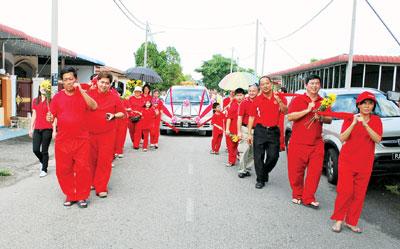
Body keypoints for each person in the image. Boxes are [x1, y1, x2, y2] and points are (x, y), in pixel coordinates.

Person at [331, 91, 382, 233]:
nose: (367, 106)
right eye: (364, 103)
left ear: (373, 105)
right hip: (347, 161)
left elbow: (377, 139)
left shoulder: (376, 120)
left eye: (370, 103)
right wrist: (353, 123)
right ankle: (339, 220)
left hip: (365, 163)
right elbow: (342, 138)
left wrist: (366, 125)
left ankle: (352, 221)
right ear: (358, 105)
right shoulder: (350, 119)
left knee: (359, 194)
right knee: (345, 192)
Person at [47, 67, 97, 208]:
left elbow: (94, 106)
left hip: (82, 139)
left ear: (76, 79)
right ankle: (70, 194)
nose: (68, 82)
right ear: (62, 81)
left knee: (83, 168)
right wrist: (49, 117)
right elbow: (51, 118)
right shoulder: (57, 97)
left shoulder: (83, 94)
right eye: (66, 79)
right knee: (63, 169)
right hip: (63, 140)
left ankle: (82, 196)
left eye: (71, 79)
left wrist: (81, 90)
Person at [287, 74, 332, 207]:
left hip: (316, 143)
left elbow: (329, 119)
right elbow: (290, 116)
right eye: (311, 83)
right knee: (296, 172)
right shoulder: (298, 99)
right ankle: (297, 194)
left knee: (315, 173)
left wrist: (321, 117)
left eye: (317, 83)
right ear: (306, 85)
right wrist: (308, 110)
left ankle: (309, 197)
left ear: (320, 85)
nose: (314, 86)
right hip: (298, 142)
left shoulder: (324, 102)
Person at [87, 72, 125, 198]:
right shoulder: (89, 94)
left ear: (110, 85)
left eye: (107, 83)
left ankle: (101, 186)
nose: (104, 85)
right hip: (90, 133)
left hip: (107, 134)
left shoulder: (114, 97)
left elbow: (122, 113)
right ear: (97, 82)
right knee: (91, 159)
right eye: (102, 82)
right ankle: (92, 182)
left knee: (104, 160)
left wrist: (114, 115)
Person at [247, 76, 288, 189]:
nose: (265, 86)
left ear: (271, 84)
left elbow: (285, 111)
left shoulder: (279, 97)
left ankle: (264, 172)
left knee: (274, 156)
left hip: (274, 131)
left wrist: (278, 99)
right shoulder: (257, 100)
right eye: (262, 84)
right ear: (260, 86)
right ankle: (260, 179)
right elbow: (251, 117)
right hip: (260, 130)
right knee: (258, 156)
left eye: (267, 83)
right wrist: (249, 133)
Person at [29, 81, 56, 178]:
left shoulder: (51, 101)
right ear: (39, 89)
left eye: (45, 88)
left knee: (44, 150)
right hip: (37, 128)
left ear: (47, 89)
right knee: (35, 149)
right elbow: (34, 115)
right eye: (41, 87)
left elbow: (54, 116)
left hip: (47, 128)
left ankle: (44, 169)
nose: (42, 89)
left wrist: (54, 130)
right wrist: (31, 128)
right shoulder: (36, 100)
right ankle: (43, 161)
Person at [237, 84, 259, 178]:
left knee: (253, 152)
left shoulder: (261, 102)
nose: (251, 93)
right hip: (245, 129)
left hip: (258, 130)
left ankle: (247, 168)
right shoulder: (244, 103)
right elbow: (239, 118)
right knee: (244, 149)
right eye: (250, 91)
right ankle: (242, 170)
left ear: (258, 91)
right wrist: (239, 131)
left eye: (254, 91)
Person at [225, 88, 245, 167]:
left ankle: (243, 162)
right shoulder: (233, 105)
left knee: (242, 147)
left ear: (244, 95)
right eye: (237, 95)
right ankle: (231, 161)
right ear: (235, 96)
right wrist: (227, 129)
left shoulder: (246, 104)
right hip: (233, 130)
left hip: (243, 130)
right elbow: (229, 118)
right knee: (232, 146)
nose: (239, 97)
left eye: (241, 95)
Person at [114, 89, 130, 158]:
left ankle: (119, 151)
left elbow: (129, 108)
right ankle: (114, 151)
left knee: (121, 136)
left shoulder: (125, 100)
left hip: (123, 120)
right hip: (115, 120)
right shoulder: (113, 100)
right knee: (115, 136)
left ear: (120, 94)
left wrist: (124, 109)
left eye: (117, 93)